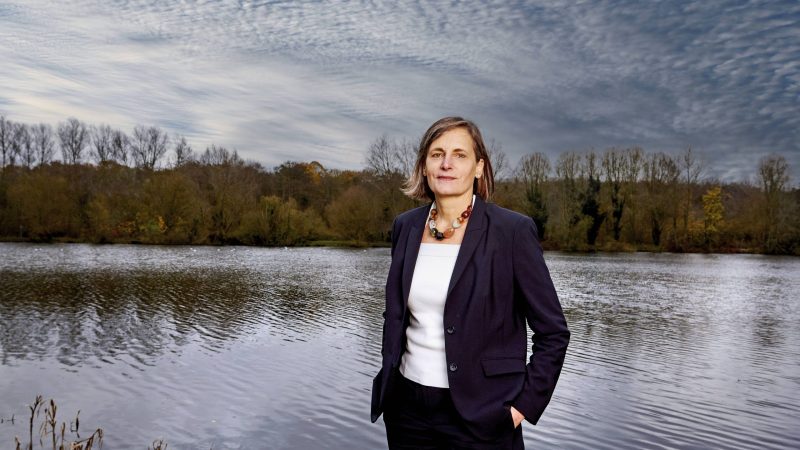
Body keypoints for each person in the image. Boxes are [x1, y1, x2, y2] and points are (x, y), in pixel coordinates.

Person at [370, 117, 570, 449]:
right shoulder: (405, 227)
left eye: (460, 155)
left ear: (479, 168)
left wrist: (520, 409)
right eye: (436, 154)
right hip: (407, 410)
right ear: (424, 166)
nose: (446, 163)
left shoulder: (512, 232)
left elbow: (553, 332)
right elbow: (396, 317)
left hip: (483, 414)